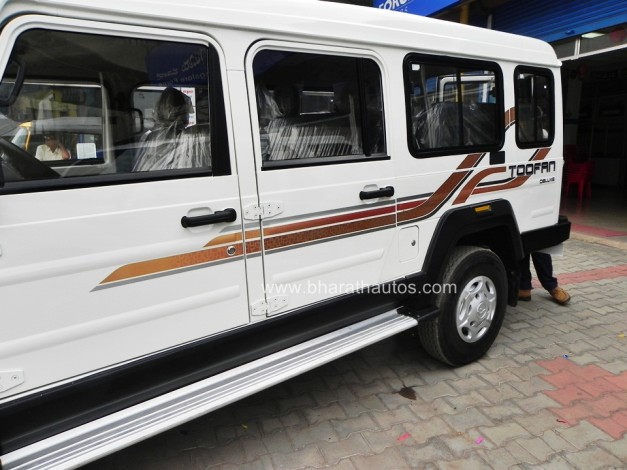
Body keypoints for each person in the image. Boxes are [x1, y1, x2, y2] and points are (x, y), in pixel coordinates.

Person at [132, 87, 193, 172]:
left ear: (159, 109)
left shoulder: (148, 137)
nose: (187, 115)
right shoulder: (187, 137)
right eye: (186, 112)